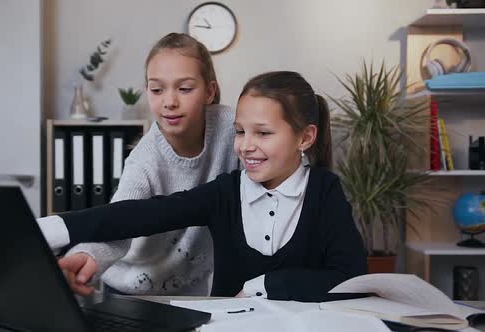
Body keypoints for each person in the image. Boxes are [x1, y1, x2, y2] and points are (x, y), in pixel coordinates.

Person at [40, 71, 367, 302]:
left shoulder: (325, 190)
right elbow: (140, 214)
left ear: (305, 137)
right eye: (240, 132)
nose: (246, 146)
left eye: (263, 133)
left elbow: (351, 277)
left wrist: (267, 284)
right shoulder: (226, 192)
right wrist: (48, 229)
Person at [38, 32, 239, 297]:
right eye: (157, 89)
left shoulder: (234, 129)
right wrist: (86, 254)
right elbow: (119, 219)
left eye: (185, 88)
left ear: (209, 91)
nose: (169, 101)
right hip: (129, 290)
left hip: (194, 290)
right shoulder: (144, 161)